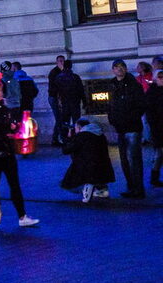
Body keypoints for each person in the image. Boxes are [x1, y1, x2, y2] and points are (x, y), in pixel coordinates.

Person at [0, 77, 38, 227]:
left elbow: (8, 127)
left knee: (14, 184)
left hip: (7, 152)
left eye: (1, 90)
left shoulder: (3, 108)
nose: (0, 93)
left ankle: (22, 216)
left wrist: (15, 130)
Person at [109, 58, 146, 198]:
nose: (119, 69)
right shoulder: (112, 85)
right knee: (124, 160)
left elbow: (141, 104)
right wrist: (112, 119)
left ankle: (138, 189)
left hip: (132, 127)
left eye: (122, 66)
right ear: (113, 70)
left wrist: (131, 117)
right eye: (116, 67)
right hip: (120, 128)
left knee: (134, 160)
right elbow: (111, 104)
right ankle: (131, 187)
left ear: (125, 68)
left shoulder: (133, 85)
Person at [60, 118, 115, 201]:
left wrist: (69, 138)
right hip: (104, 169)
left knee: (66, 183)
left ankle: (86, 188)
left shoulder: (81, 136)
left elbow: (66, 150)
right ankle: (101, 189)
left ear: (79, 127)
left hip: (87, 169)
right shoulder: (100, 134)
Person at [46, 55, 68, 146]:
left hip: (57, 97)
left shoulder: (61, 71)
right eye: (60, 61)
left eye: (63, 61)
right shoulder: (54, 72)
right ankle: (62, 139)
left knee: (59, 118)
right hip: (54, 97)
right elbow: (55, 86)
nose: (62, 63)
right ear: (57, 62)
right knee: (59, 118)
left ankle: (55, 139)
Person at [146, 69, 163, 187]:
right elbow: (150, 112)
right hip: (158, 127)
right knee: (159, 153)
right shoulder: (152, 92)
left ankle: (154, 177)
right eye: (160, 77)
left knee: (159, 153)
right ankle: (154, 177)